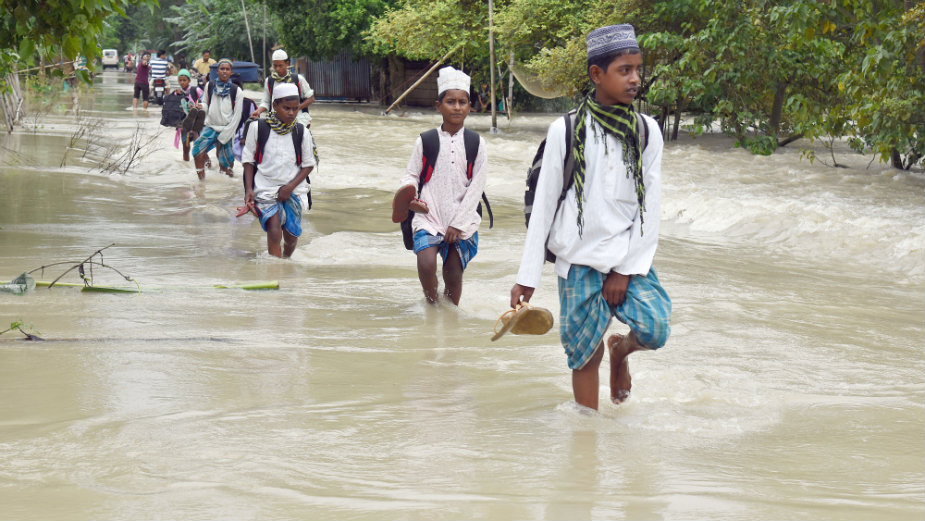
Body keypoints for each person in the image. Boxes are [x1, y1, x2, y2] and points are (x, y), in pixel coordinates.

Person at [509, 24, 671, 411]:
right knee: (583, 354)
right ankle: (588, 440)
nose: (635, 79)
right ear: (596, 75)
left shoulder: (647, 132)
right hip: (577, 260)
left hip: (626, 258)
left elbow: (649, 210)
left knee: (655, 328)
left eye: (637, 69)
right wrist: (526, 278)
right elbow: (545, 208)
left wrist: (625, 270)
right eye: (624, 70)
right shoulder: (565, 130)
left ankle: (621, 351)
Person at [397, 66, 487, 305]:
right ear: (439, 106)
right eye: (450, 101)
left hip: (462, 216)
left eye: (462, 102)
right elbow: (411, 175)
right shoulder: (425, 140)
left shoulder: (477, 143)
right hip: (429, 213)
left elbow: (477, 186)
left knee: (453, 274)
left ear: (469, 106)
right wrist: (410, 195)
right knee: (426, 264)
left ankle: (450, 315)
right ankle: (432, 305)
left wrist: (458, 224)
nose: (456, 107)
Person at [242, 83, 316, 258]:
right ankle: (275, 272)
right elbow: (248, 161)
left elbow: (308, 164)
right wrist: (249, 190)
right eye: (286, 108)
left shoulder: (301, 132)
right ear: (274, 105)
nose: (291, 113)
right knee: (274, 230)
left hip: (294, 189)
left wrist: (289, 188)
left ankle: (286, 260)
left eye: (295, 108)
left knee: (291, 236)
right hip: (265, 188)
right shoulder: (257, 128)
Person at [191, 59, 243, 179]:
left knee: (225, 164)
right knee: (197, 152)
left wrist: (226, 134)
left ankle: (228, 189)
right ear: (217, 71)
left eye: (227, 69)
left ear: (231, 72)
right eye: (222, 69)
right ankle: (201, 183)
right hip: (210, 126)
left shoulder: (236, 91)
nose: (224, 71)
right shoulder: (210, 85)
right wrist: (201, 106)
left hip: (227, 129)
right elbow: (205, 104)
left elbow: (237, 116)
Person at [251, 49, 315, 128]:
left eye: (280, 65)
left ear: (287, 64)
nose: (277, 69)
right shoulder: (269, 81)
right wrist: (258, 111)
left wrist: (296, 108)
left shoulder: (298, 79)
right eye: (275, 66)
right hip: (275, 122)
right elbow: (266, 101)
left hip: (297, 120)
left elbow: (311, 99)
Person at [172, 69, 203, 161]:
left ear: (189, 80)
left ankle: (205, 165)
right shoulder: (176, 93)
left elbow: (204, 100)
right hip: (184, 124)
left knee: (200, 148)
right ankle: (186, 166)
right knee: (186, 148)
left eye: (184, 80)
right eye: (180, 80)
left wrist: (198, 106)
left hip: (197, 123)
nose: (182, 82)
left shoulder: (195, 90)